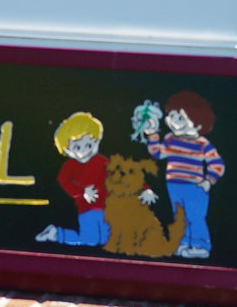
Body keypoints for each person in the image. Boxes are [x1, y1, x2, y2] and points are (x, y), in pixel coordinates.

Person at [142, 91, 224, 259]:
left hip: (194, 186)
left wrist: (209, 180)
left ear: (197, 124)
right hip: (174, 185)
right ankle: (184, 243)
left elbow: (217, 164)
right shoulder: (170, 139)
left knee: (196, 216)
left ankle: (200, 245)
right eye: (171, 116)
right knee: (179, 216)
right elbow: (157, 153)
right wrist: (152, 135)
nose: (171, 121)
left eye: (179, 118)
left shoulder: (202, 144)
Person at [34, 111, 133, 246]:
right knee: (90, 240)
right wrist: (82, 192)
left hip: (107, 208)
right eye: (77, 147)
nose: (84, 151)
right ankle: (56, 234)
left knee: (106, 239)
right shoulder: (70, 165)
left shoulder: (103, 161)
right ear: (67, 150)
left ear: (97, 141)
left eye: (89, 145)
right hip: (86, 209)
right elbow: (64, 181)